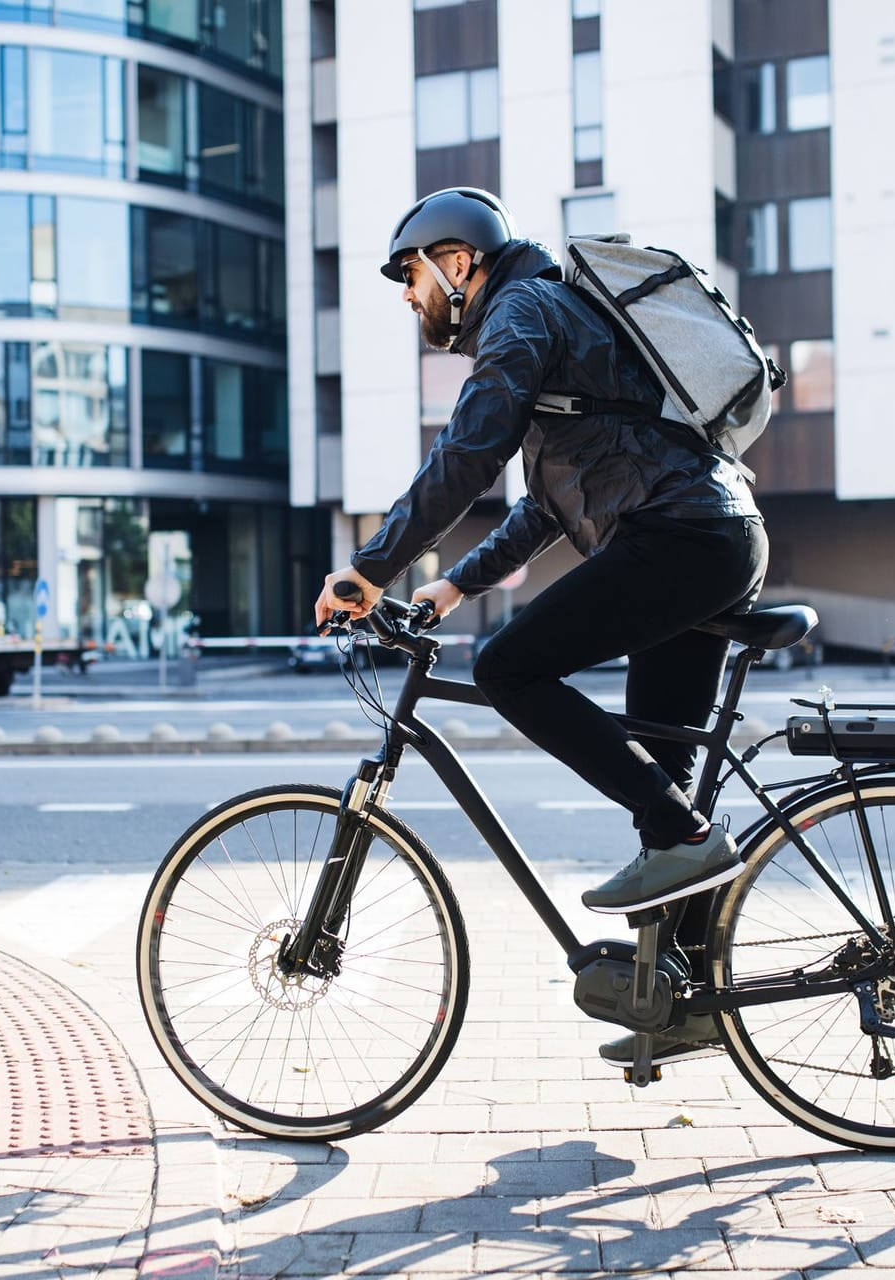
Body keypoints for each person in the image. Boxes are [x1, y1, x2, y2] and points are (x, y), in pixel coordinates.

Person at [312, 187, 768, 1064]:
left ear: (458, 262)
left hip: (681, 539)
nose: (409, 296)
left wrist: (370, 567)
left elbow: (469, 450)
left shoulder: (521, 312)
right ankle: (687, 1004)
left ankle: (687, 841)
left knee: (509, 670)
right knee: (661, 782)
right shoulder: (552, 317)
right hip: (707, 537)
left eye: (410, 275)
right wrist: (448, 588)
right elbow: (546, 505)